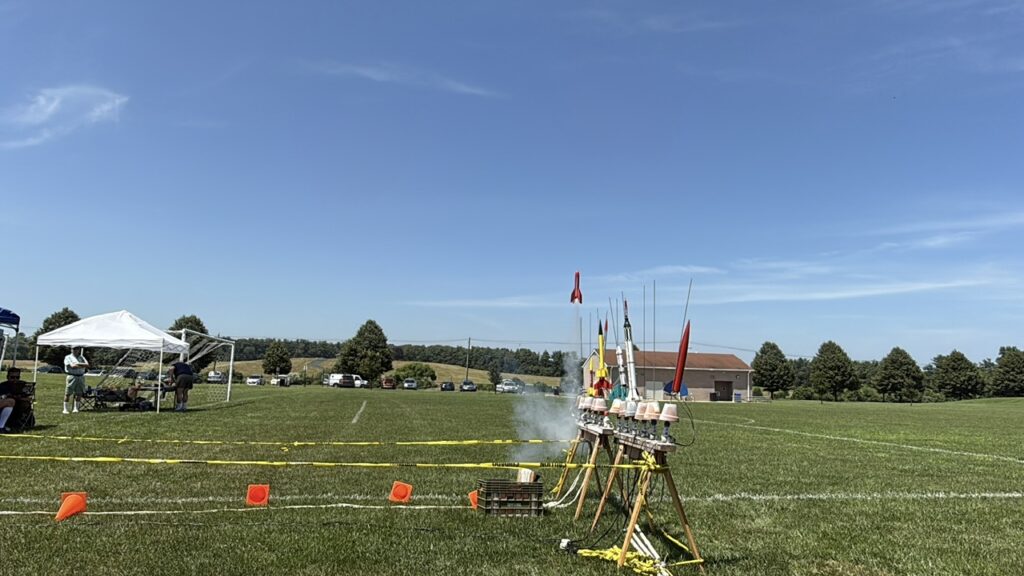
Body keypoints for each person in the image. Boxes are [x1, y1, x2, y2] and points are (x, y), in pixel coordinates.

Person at [0, 366, 30, 433]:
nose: (15, 379)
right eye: (12, 377)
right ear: (7, 377)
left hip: (17, 406)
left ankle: (12, 424)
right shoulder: (2, 386)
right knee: (11, 401)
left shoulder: (23, 385)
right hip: (4, 406)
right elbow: (2, 397)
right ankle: (1, 426)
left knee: (24, 404)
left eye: (17, 377)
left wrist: (21, 398)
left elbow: (28, 397)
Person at [63, 347, 89, 414]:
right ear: (71, 350)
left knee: (79, 393)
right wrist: (82, 365)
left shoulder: (82, 357)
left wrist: (77, 364)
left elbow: (87, 365)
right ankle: (65, 409)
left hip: (81, 376)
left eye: (76, 349)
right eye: (73, 349)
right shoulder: (68, 357)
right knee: (68, 393)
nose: (75, 350)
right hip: (72, 376)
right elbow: (72, 366)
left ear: (78, 350)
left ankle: (76, 408)